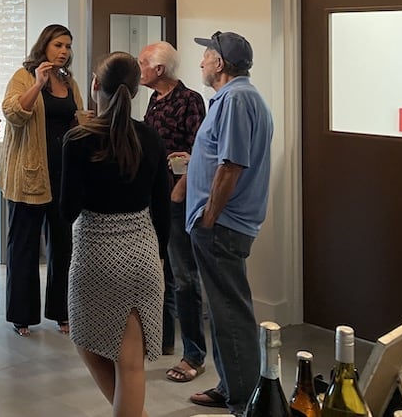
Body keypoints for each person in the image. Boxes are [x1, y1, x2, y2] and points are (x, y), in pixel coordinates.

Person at [61, 52, 170, 417]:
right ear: (137, 90)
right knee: (132, 364)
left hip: (96, 252)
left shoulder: (78, 139)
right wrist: (160, 256)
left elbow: (67, 210)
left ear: (95, 85)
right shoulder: (152, 138)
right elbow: (162, 208)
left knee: (85, 338)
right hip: (142, 251)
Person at [186, 32, 274, 417]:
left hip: (223, 225)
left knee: (230, 312)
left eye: (206, 56)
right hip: (222, 223)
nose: (202, 62)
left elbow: (232, 165)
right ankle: (231, 386)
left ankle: (244, 402)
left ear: (220, 64)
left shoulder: (237, 99)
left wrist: (208, 217)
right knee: (221, 312)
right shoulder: (233, 98)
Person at [0, 24, 85, 337]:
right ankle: (21, 316)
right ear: (44, 45)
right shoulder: (23, 76)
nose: (64, 52)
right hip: (28, 176)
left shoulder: (68, 80)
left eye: (68, 47)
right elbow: (13, 114)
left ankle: (62, 312)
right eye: (58, 45)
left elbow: (78, 118)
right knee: (24, 247)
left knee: (63, 248)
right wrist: (38, 84)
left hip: (62, 177)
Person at [138, 41, 208, 383]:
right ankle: (162, 340)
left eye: (142, 63)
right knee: (158, 273)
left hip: (178, 200)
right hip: (153, 198)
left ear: (159, 69)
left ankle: (193, 354)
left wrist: (179, 191)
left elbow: (200, 150)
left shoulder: (190, 100)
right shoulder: (153, 99)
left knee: (183, 277)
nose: (139, 69)